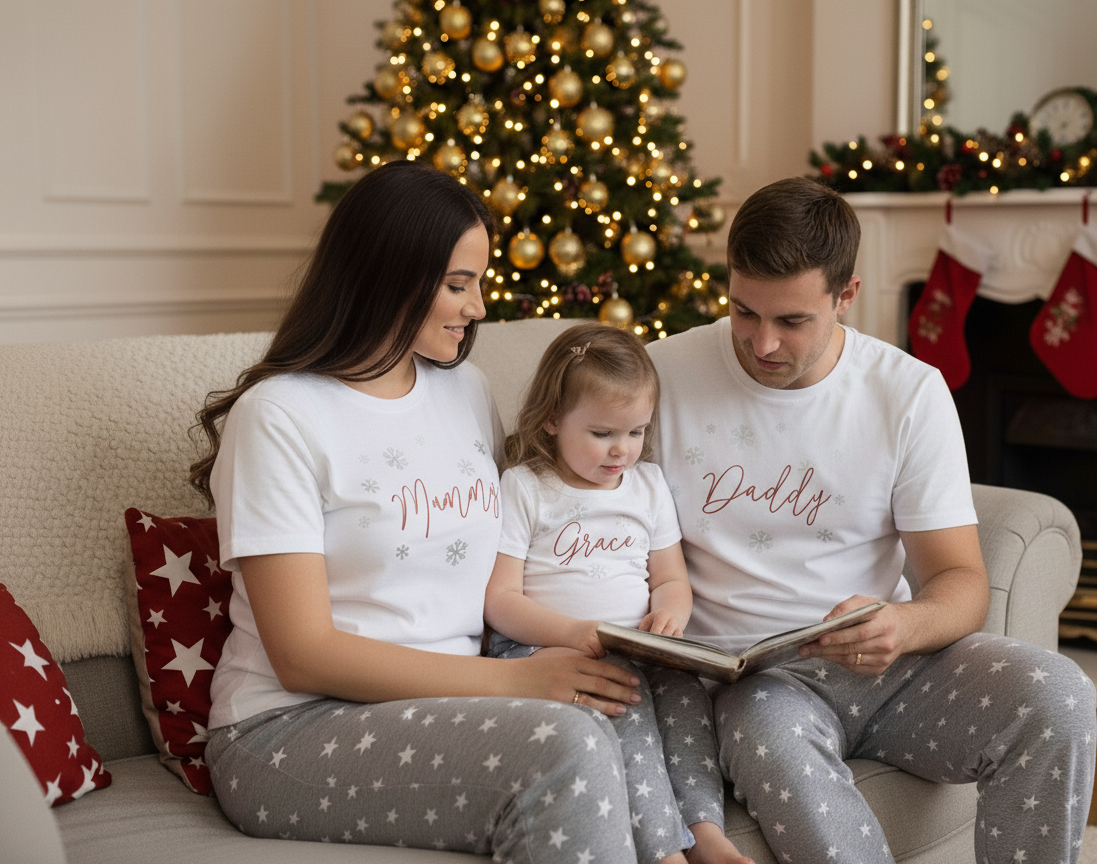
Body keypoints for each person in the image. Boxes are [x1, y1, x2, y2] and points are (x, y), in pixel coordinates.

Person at [188, 160, 649, 862]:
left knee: (628, 713)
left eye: (478, 284)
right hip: (289, 730)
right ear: (387, 275)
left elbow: (510, 559)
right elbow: (302, 655)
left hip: (454, 704)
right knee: (567, 746)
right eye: (457, 285)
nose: (478, 309)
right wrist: (518, 681)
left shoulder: (465, 388)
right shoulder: (279, 416)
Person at [646, 176, 1096, 864]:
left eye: (791, 321)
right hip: (754, 687)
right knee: (767, 732)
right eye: (742, 312)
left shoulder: (905, 391)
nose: (761, 343)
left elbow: (959, 581)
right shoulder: (660, 375)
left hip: (888, 668)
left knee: (1060, 695)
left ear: (846, 294)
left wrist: (902, 625)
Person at [483, 321, 755, 864]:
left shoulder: (648, 486)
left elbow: (672, 579)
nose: (622, 451)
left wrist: (670, 616)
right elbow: (500, 600)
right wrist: (575, 634)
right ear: (553, 418)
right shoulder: (527, 487)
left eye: (635, 432)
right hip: (549, 649)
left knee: (686, 702)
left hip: (639, 647)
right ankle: (662, 850)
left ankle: (704, 830)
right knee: (626, 713)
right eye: (603, 433)